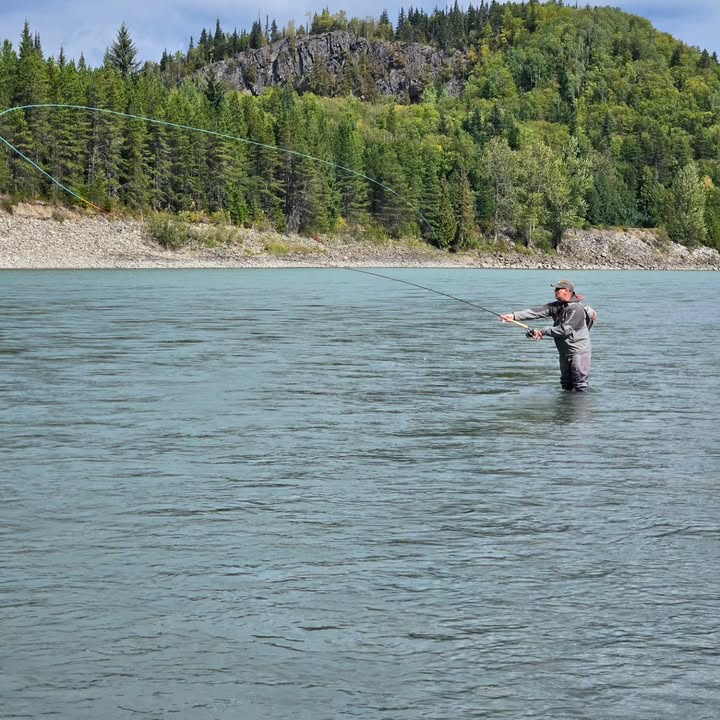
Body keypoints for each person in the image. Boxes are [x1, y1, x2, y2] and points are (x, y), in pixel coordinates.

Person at [500, 280, 593, 392]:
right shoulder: (556, 306)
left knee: (580, 384)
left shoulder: (576, 308)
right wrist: (514, 316)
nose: (555, 291)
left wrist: (542, 331)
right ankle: (566, 408)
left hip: (579, 352)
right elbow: (536, 312)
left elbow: (565, 330)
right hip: (564, 352)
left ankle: (581, 408)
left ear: (567, 291)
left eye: (558, 289)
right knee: (566, 384)